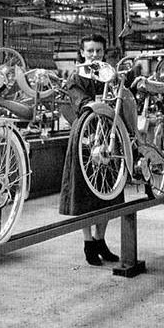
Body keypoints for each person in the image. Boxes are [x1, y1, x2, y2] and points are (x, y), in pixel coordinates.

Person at [59, 34, 123, 266]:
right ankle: (88, 243)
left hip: (109, 135)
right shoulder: (76, 77)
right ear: (82, 52)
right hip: (85, 137)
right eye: (90, 51)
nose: (94, 55)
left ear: (104, 53)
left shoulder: (110, 75)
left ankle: (100, 240)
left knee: (108, 188)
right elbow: (81, 104)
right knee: (85, 192)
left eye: (98, 51)